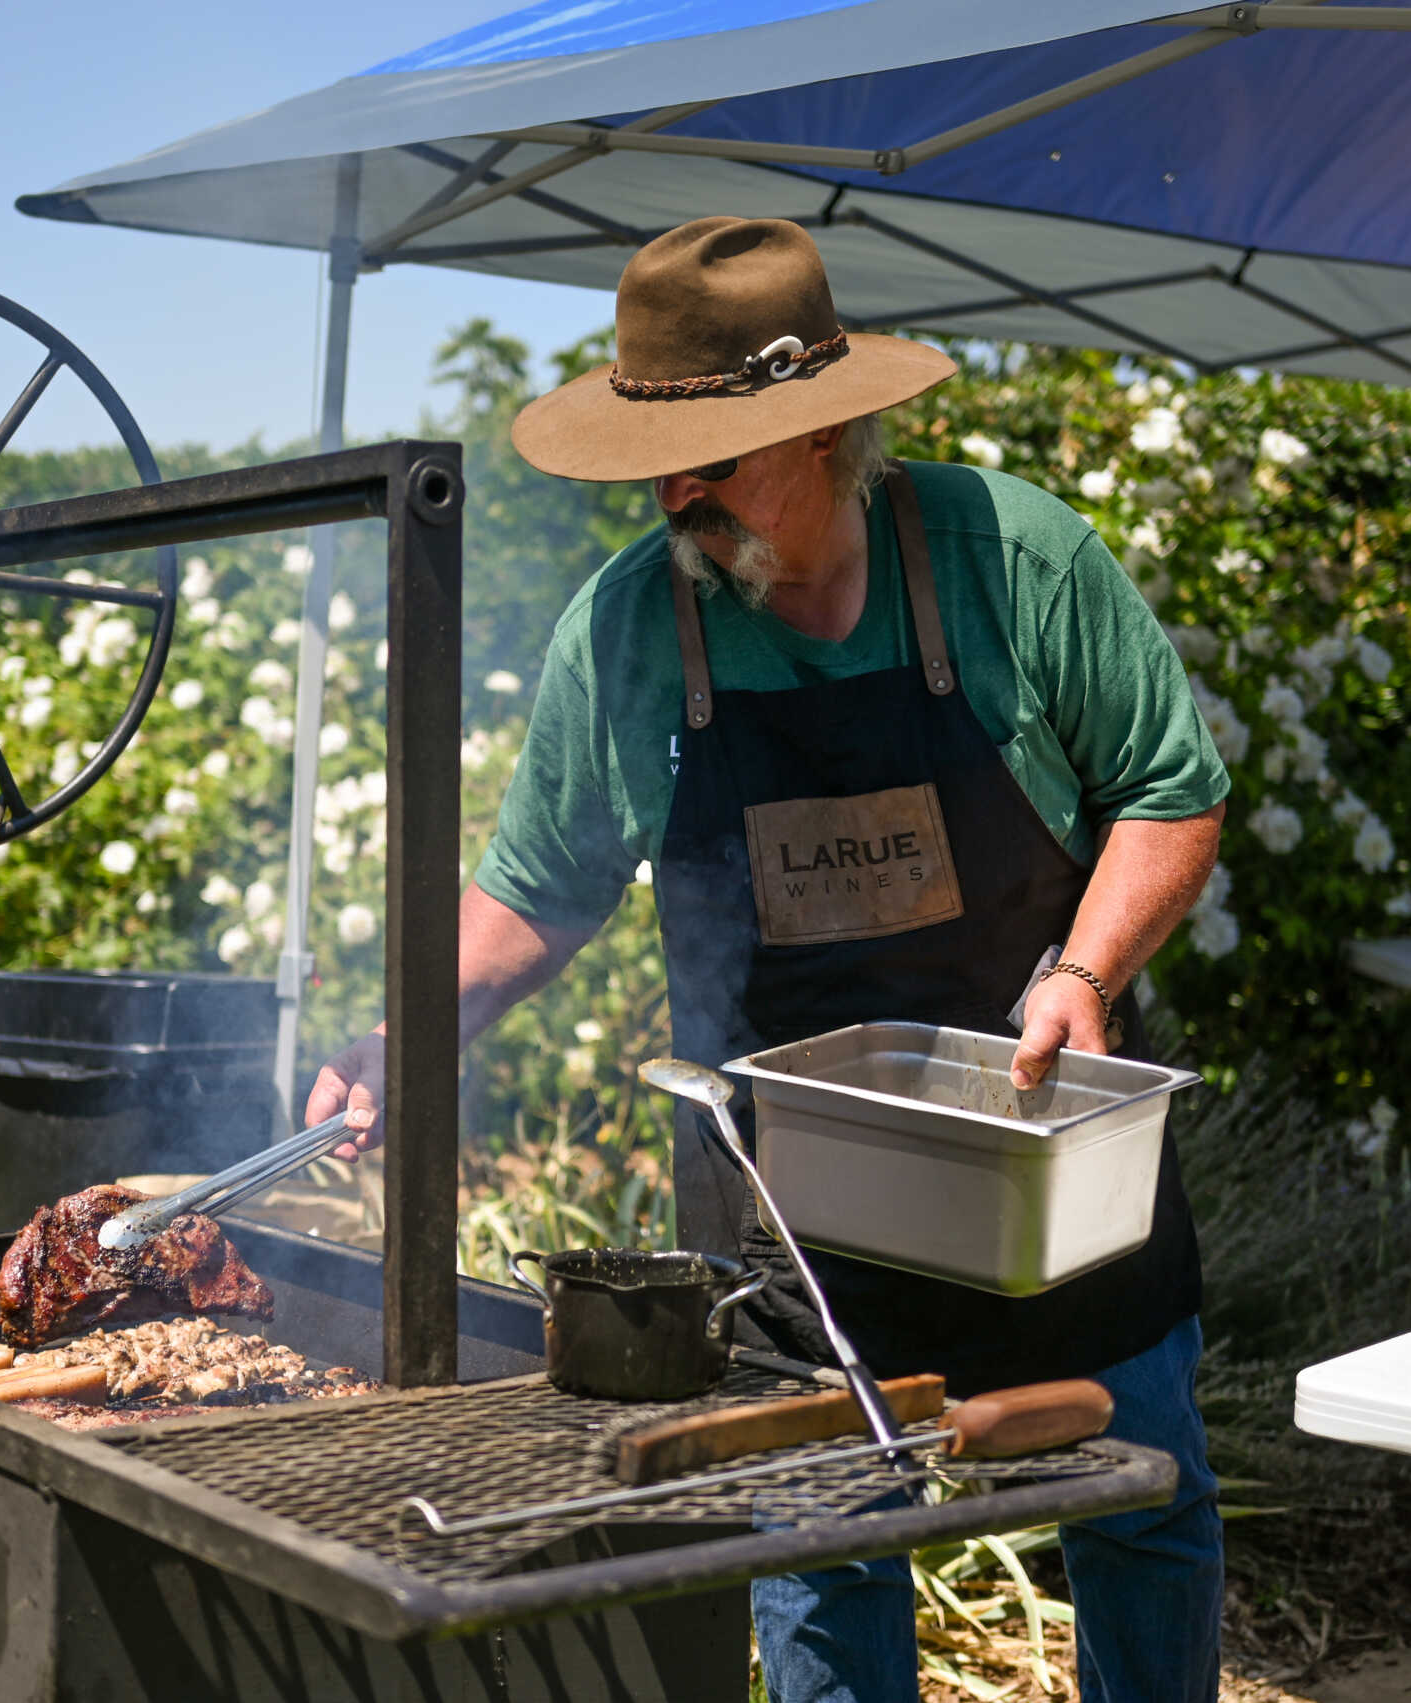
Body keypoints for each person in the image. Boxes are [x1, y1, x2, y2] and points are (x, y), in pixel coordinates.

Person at [309, 216, 1229, 1703]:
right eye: (653, 466)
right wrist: (408, 1035)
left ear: (831, 430)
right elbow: (538, 889)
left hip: (1046, 1168)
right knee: (820, 1555)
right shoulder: (625, 631)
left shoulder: (1017, 560)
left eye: (714, 462)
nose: (675, 497)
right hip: (794, 1212)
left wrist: (1086, 970)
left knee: (1143, 1508)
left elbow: (1171, 793)